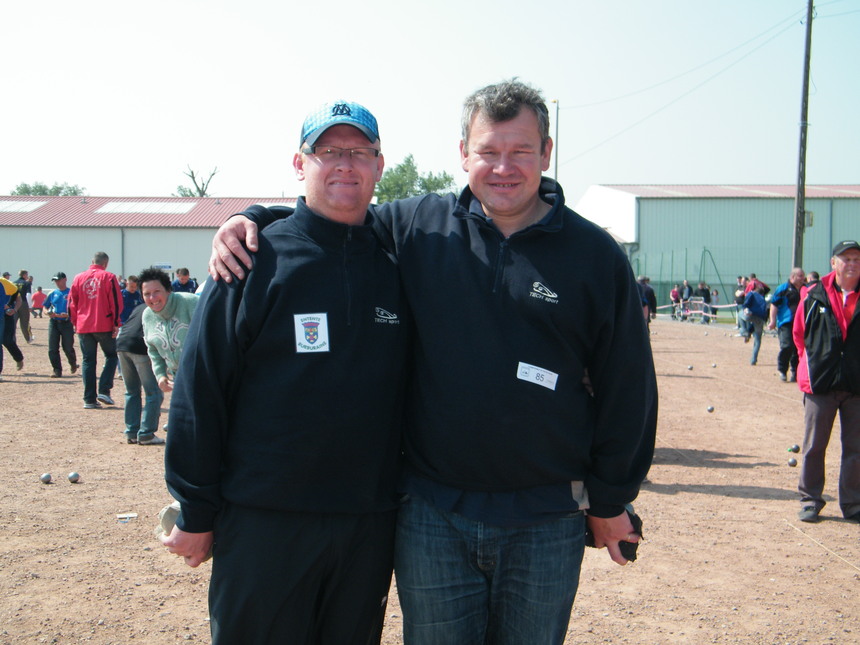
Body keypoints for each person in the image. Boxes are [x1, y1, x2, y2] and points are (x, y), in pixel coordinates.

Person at [210, 80, 657, 644]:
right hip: (432, 514)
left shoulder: (594, 255)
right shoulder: (419, 226)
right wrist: (253, 217)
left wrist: (612, 498)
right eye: (488, 151)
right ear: (463, 154)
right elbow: (334, 209)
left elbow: (628, 386)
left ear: (546, 154)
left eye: (521, 151)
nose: (503, 167)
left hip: (546, 517)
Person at [162, 100, 409, 645]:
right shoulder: (252, 257)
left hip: (366, 522)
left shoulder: (399, 263)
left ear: (380, 164)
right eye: (328, 151)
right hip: (264, 520)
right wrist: (196, 505)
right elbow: (202, 389)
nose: (345, 163)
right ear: (300, 164)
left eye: (359, 152)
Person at [793, 241, 860, 524]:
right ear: (833, 263)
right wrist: (812, 368)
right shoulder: (813, 294)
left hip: (856, 385)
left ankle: (853, 503)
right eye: (846, 259)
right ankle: (810, 500)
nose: (853, 264)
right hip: (821, 384)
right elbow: (799, 335)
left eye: (857, 259)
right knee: (813, 447)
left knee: (856, 449)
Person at [68, 252, 123, 408]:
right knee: (112, 356)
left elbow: (72, 302)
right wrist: (116, 322)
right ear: (105, 263)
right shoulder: (109, 277)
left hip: (83, 325)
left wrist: (75, 321)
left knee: (88, 360)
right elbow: (116, 301)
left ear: (92, 261)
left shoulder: (78, 278)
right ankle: (104, 390)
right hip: (103, 323)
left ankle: (89, 399)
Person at [138, 267, 200, 394]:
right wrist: (161, 375)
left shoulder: (191, 303)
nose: (152, 298)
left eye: (156, 291)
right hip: (179, 379)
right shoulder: (147, 316)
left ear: (168, 290)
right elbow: (153, 349)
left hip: (206, 375)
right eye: (147, 294)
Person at [116, 301, 164, 445]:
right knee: (154, 392)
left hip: (122, 345)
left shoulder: (140, 306)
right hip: (140, 348)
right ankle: (146, 433)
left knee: (131, 391)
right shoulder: (160, 308)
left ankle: (131, 432)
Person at [768, 267, 805, 382]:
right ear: (792, 277)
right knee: (787, 346)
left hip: (801, 324)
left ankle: (796, 372)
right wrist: (772, 320)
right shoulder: (783, 288)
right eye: (800, 276)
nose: (802, 278)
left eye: (803, 276)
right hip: (786, 323)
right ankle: (782, 370)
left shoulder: (805, 289)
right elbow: (774, 305)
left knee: (798, 349)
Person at [44, 272, 78, 378]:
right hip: (54, 322)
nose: (57, 283)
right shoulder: (52, 293)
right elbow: (45, 307)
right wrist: (47, 313)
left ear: (65, 279)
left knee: (67, 347)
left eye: (59, 280)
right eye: (55, 281)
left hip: (67, 323)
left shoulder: (71, 293)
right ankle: (57, 370)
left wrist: (68, 314)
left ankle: (73, 363)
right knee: (52, 348)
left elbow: (78, 308)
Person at [1, 275, 25, 381]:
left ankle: (18, 358)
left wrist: (13, 309)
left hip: (7, 316)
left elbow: (18, 298)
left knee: (7, 341)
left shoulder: (5, 283)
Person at [742, 283, 768, 365]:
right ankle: (753, 359)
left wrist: (745, 309)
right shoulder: (763, 299)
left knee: (740, 314)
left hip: (750, 315)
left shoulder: (751, 294)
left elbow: (745, 305)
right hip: (760, 318)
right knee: (758, 340)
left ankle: (744, 331)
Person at [14, 270, 34, 343]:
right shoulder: (27, 283)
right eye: (27, 275)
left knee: (13, 322)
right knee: (24, 322)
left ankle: (13, 339)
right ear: (24, 275)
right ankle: (28, 338)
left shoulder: (13, 283)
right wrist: (30, 306)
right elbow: (28, 294)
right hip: (23, 303)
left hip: (14, 303)